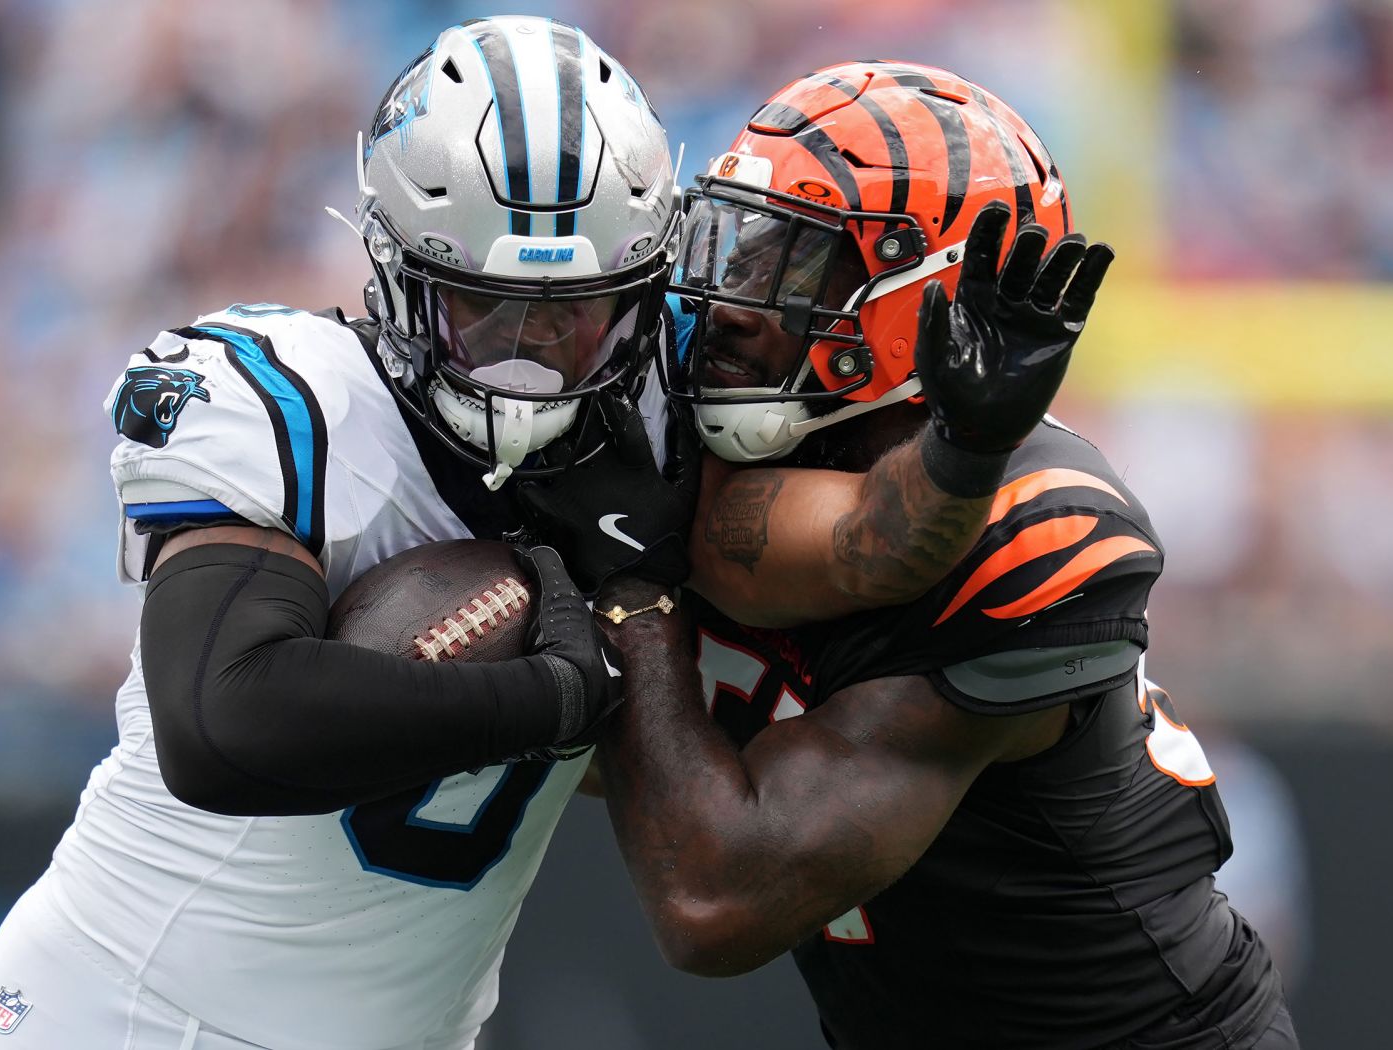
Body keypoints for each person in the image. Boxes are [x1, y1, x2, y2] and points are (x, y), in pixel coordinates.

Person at [0, 27, 1053, 1050]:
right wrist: (560, 699)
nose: (530, 352)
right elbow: (223, 726)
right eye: (487, 308)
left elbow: (863, 546)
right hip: (114, 1015)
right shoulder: (288, 401)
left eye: (573, 313)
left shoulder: (662, 423)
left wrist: (962, 452)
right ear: (401, 272)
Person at [523, 62, 1298, 1049]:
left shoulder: (1039, 531)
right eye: (731, 243)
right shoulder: (726, 439)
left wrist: (630, 593)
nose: (728, 301)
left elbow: (715, 896)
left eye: (787, 264)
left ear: (926, 300)